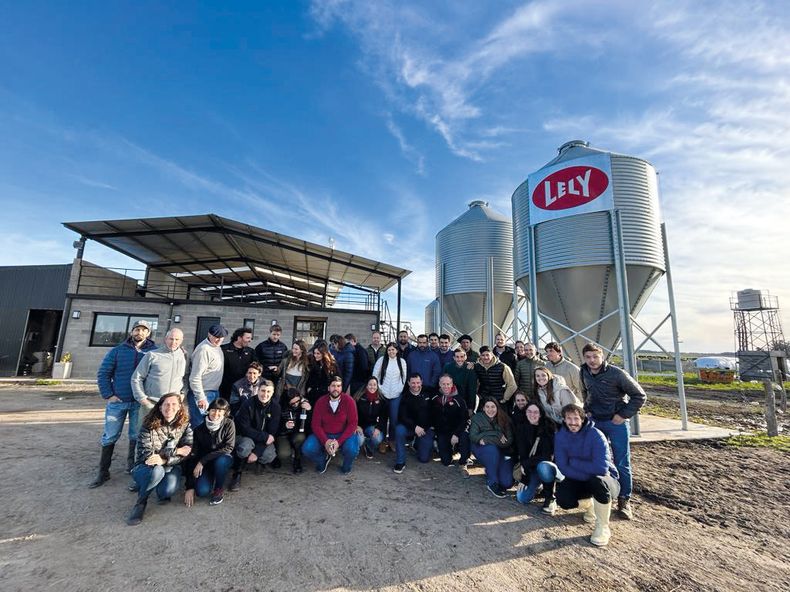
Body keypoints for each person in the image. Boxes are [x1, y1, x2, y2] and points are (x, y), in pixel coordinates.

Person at [580, 342, 646, 520]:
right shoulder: (584, 371)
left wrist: (623, 415)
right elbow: (585, 391)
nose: (592, 361)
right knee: (595, 459)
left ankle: (624, 500)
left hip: (615, 423)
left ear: (602, 357)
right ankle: (599, 495)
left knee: (621, 460)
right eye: (588, 357)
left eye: (595, 356)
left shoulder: (617, 374)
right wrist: (587, 408)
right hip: (596, 421)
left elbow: (639, 395)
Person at [91, 320, 156, 488]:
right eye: (137, 329)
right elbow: (104, 373)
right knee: (110, 435)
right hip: (118, 401)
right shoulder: (118, 351)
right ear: (131, 331)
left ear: (148, 333)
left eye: (143, 330)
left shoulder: (153, 351)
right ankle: (103, 471)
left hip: (139, 402)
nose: (139, 333)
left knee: (135, 435)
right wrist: (108, 394)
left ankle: (131, 465)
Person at [553, 403, 620, 547]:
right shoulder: (560, 437)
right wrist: (584, 474)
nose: (572, 423)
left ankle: (603, 527)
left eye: (576, 419)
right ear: (564, 420)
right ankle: (590, 504)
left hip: (606, 480)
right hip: (583, 478)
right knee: (563, 499)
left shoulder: (596, 435)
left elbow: (601, 468)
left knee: (597, 482)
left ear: (582, 419)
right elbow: (563, 467)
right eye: (569, 419)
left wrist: (574, 462)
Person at [126, 393, 192, 526]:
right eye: (166, 404)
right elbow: (147, 455)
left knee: (166, 492)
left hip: (170, 465)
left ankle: (150, 484)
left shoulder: (185, 425)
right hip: (146, 466)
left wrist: (164, 460)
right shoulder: (148, 425)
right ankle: (141, 502)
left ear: (179, 407)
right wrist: (177, 451)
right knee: (157, 472)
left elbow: (187, 452)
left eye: (174, 404)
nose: (170, 407)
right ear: (160, 407)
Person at [229, 378, 281, 491]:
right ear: (258, 390)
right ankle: (237, 472)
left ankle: (258, 461)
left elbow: (272, 433)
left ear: (272, 393)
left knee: (269, 455)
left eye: (268, 392)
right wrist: (264, 437)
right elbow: (245, 428)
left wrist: (257, 453)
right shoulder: (248, 404)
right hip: (246, 436)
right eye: (263, 391)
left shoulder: (276, 407)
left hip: (264, 440)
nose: (265, 394)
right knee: (244, 448)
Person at [302, 376, 360, 474]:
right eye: (333, 386)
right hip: (325, 433)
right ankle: (322, 460)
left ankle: (346, 466)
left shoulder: (349, 401)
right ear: (328, 388)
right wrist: (326, 441)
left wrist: (339, 442)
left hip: (342, 434)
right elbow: (316, 425)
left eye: (338, 386)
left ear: (341, 388)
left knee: (352, 450)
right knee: (307, 449)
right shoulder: (320, 401)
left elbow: (352, 424)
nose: (336, 389)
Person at [183, 398, 235, 507]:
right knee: (202, 492)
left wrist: (202, 461)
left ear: (225, 413)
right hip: (206, 465)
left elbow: (229, 447)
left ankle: (218, 488)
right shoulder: (198, 430)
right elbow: (193, 456)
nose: (216, 414)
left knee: (221, 461)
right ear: (208, 410)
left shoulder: (229, 424)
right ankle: (211, 476)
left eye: (220, 411)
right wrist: (190, 487)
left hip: (222, 458)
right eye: (213, 410)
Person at [131, 327, 186, 420]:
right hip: (151, 404)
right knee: (146, 433)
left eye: (177, 339)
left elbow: (186, 377)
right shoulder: (152, 355)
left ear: (181, 341)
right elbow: (136, 378)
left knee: (168, 433)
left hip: (172, 406)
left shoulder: (184, 356)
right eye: (171, 339)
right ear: (165, 339)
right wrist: (142, 399)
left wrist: (183, 393)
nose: (173, 342)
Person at [514, 403, 558, 515]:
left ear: (540, 414)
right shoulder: (522, 427)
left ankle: (550, 498)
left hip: (547, 466)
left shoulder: (548, 428)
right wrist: (525, 476)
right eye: (529, 411)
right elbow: (522, 454)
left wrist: (526, 464)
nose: (532, 414)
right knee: (522, 498)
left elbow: (546, 457)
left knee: (543, 466)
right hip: (531, 467)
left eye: (535, 412)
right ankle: (538, 485)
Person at [469, 398, 514, 498]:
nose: (490, 410)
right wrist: (496, 434)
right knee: (491, 449)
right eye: (487, 407)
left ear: (497, 407)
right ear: (483, 408)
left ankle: (491, 470)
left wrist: (487, 439)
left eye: (493, 407)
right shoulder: (477, 418)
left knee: (507, 483)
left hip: (501, 451)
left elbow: (508, 441)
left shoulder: (504, 418)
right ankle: (492, 482)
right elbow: (473, 437)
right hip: (482, 450)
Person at [372, 342, 408, 453]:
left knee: (393, 420)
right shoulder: (381, 360)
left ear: (397, 351)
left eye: (393, 350)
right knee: (382, 418)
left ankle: (392, 440)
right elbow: (375, 376)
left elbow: (403, 378)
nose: (391, 352)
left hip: (396, 395)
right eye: (389, 350)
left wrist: (398, 391)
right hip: (383, 394)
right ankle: (382, 441)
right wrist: (380, 390)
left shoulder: (402, 362)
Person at [393, 373, 434, 473]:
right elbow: (402, 416)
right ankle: (400, 461)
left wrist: (426, 427)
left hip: (425, 427)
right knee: (399, 430)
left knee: (424, 459)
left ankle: (417, 443)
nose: (416, 385)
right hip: (410, 427)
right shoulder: (405, 396)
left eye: (418, 382)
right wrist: (415, 427)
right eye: (413, 383)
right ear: (408, 383)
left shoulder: (429, 393)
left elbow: (434, 413)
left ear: (422, 382)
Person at [431, 374, 470, 468]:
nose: (446, 386)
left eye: (448, 384)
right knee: (446, 461)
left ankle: (463, 461)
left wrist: (456, 434)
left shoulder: (459, 399)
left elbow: (465, 419)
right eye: (443, 384)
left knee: (464, 436)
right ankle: (446, 448)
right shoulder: (435, 398)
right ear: (439, 384)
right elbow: (431, 415)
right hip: (443, 432)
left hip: (457, 430)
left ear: (452, 384)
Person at [275, 388, 311, 473]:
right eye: (292, 403)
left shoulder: (303, 405)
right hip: (282, 434)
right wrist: (284, 425)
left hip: (296, 432)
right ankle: (276, 456)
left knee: (300, 438)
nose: (296, 404)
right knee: (283, 454)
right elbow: (274, 427)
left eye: (297, 401)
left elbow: (310, 424)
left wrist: (309, 410)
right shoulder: (279, 407)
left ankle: (297, 459)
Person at [219, 328, 256, 402]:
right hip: (225, 389)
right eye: (247, 338)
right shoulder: (223, 350)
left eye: (250, 338)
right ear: (239, 338)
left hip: (243, 390)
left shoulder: (251, 352)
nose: (250, 340)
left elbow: (256, 367)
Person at [474, 346, 517, 411]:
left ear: (492, 355)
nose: (485, 357)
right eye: (483, 355)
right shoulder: (477, 366)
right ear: (480, 356)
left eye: (487, 355)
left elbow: (512, 385)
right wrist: (478, 394)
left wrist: (505, 398)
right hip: (483, 399)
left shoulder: (503, 367)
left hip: (499, 399)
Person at [354, 377, 387, 459]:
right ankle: (355, 450)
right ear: (366, 386)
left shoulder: (381, 399)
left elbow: (384, 417)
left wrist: (378, 428)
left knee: (378, 438)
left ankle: (368, 446)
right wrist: (356, 426)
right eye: (370, 384)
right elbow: (352, 415)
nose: (372, 387)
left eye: (374, 385)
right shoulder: (358, 398)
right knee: (359, 440)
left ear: (377, 386)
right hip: (359, 426)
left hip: (371, 426)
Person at [442, 348, 478, 417]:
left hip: (465, 401)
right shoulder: (448, 367)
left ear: (465, 357)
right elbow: (442, 384)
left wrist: (470, 407)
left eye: (462, 357)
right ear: (454, 358)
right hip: (450, 400)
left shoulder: (470, 369)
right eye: (457, 357)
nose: (459, 359)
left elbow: (472, 389)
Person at [306, 342, 337, 406]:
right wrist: (309, 390)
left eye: (318, 353)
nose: (315, 355)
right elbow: (310, 380)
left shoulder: (332, 366)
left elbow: (336, 380)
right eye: (314, 353)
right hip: (313, 397)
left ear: (324, 354)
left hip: (326, 397)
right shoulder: (314, 364)